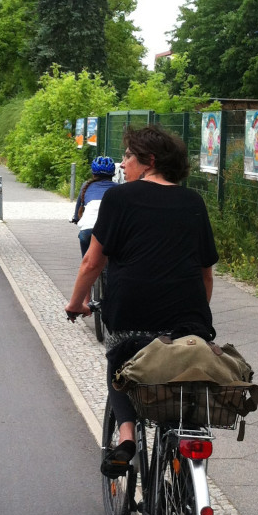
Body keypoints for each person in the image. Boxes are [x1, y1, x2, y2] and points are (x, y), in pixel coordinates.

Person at [64, 124, 218, 477]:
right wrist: (196, 315)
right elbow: (205, 274)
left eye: (129, 156)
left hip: (131, 315)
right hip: (186, 320)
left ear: (149, 161)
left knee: (119, 364)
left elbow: (92, 262)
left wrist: (76, 304)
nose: (123, 163)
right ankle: (183, 465)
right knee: (182, 376)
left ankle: (127, 436)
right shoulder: (193, 202)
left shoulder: (119, 198)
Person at [72, 156, 117, 257]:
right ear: (113, 174)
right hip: (109, 231)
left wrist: (75, 218)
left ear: (93, 173)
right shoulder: (118, 188)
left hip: (87, 231)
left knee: (87, 261)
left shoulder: (86, 186)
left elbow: (78, 207)